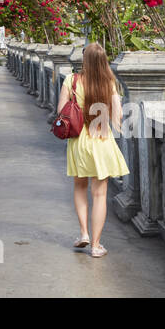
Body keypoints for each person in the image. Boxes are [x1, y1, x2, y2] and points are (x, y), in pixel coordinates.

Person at [56, 42, 128, 258]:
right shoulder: (109, 83)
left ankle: (84, 234)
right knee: (100, 194)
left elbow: (61, 112)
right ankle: (96, 246)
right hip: (102, 141)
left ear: (84, 60)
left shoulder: (72, 80)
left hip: (79, 142)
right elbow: (119, 117)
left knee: (80, 188)